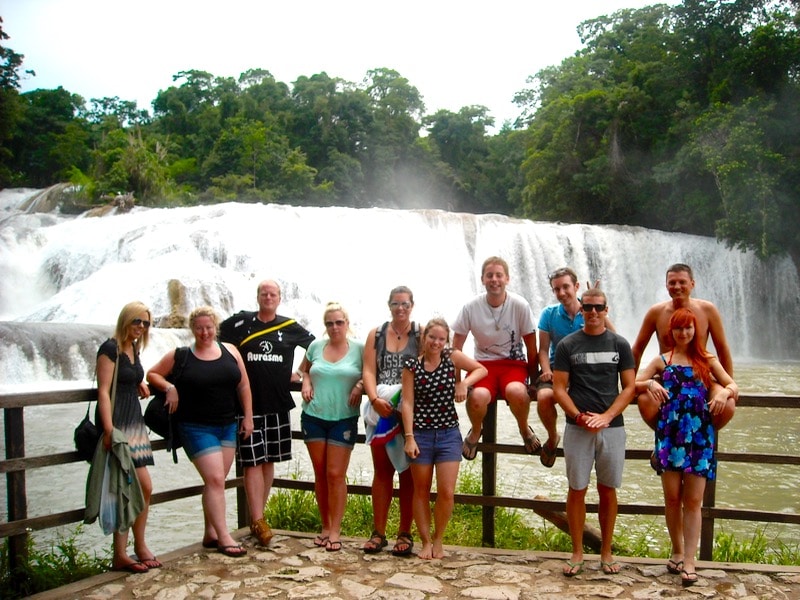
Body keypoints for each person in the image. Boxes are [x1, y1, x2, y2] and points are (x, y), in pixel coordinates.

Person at [635, 308, 737, 587]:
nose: (684, 333)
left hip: (699, 437)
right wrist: (649, 385)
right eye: (679, 328)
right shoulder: (661, 360)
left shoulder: (706, 359)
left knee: (693, 501)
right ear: (671, 331)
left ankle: (690, 561)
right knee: (671, 498)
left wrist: (724, 393)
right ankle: (677, 550)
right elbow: (634, 383)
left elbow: (732, 384)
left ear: (696, 331)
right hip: (669, 435)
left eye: (688, 328)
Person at [148, 306, 254, 558]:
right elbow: (152, 374)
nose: (204, 332)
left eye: (208, 327)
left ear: (215, 327)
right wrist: (169, 386)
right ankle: (225, 536)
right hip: (195, 426)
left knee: (215, 481)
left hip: (227, 424)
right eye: (199, 328)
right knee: (216, 479)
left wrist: (248, 417)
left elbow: (244, 385)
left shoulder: (230, 351)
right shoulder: (181, 355)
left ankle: (210, 532)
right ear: (192, 329)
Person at [219, 280, 315, 546]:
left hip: (277, 404)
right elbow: (215, 340)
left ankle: (257, 519)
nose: (268, 297)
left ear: (279, 298)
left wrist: (303, 373)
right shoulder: (239, 324)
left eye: (273, 294)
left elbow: (315, 347)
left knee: (269, 460)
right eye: (264, 294)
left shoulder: (289, 326)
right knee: (252, 462)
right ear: (258, 297)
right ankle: (259, 518)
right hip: (247, 406)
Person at [552, 289, 636, 577]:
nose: (593, 312)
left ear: (606, 309)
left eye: (598, 307)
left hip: (611, 428)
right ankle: (576, 552)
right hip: (578, 427)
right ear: (581, 310)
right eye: (587, 307)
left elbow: (629, 387)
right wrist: (578, 415)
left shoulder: (620, 344)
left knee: (608, 490)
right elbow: (559, 388)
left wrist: (607, 416)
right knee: (577, 489)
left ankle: (606, 551)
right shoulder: (567, 345)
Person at [402, 318, 488, 560]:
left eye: (441, 339)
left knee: (447, 492)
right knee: (420, 490)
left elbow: (481, 369)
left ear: (446, 341)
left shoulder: (452, 357)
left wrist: (463, 383)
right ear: (424, 338)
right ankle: (425, 541)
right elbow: (407, 403)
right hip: (420, 434)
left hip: (449, 433)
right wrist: (409, 437)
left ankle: (439, 538)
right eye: (432, 337)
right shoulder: (411, 366)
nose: (436, 343)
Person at [452, 256, 539, 461]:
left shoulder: (520, 305)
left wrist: (534, 381)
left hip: (514, 365)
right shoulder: (471, 306)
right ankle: (475, 430)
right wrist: (458, 382)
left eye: (499, 275)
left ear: (507, 279)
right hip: (481, 366)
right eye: (489, 275)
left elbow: (532, 346)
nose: (494, 279)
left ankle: (524, 428)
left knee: (517, 391)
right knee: (477, 398)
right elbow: (456, 348)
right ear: (482, 279)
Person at [631, 263, 736, 431]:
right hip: (668, 377)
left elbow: (722, 348)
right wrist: (632, 386)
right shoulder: (656, 312)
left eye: (682, 282)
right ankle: (664, 439)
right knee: (645, 400)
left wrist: (727, 387)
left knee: (728, 405)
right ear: (666, 286)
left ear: (692, 284)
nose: (677, 286)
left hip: (702, 375)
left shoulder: (707, 310)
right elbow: (637, 349)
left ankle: (700, 439)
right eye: (672, 283)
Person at [95, 301, 157, 573]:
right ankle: (121, 553)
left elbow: (127, 377)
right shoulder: (110, 349)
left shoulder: (133, 347)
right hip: (120, 425)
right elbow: (103, 392)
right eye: (136, 322)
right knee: (125, 488)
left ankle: (138, 545)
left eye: (144, 323)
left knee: (143, 487)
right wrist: (109, 430)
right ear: (125, 320)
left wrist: (139, 382)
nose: (140, 327)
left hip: (135, 422)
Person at [298, 302, 364, 552]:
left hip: (344, 418)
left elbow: (370, 374)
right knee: (320, 472)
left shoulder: (358, 347)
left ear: (347, 323)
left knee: (335, 474)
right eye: (329, 323)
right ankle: (325, 526)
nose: (334, 327)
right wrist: (305, 381)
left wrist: (359, 386)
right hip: (313, 416)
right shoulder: (315, 346)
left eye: (339, 322)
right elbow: (303, 370)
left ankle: (336, 529)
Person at [361, 286, 419, 556]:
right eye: (396, 304)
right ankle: (379, 532)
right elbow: (369, 370)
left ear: (412, 305)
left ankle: (405, 533)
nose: (400, 309)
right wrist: (373, 399)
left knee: (408, 473)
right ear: (389, 306)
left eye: (405, 304)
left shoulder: (420, 334)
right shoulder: (376, 334)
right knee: (382, 471)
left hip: (408, 412)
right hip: (381, 410)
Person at [535, 268, 613, 468]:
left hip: (584, 373)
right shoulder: (549, 314)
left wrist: (595, 304)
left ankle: (594, 455)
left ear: (576, 287)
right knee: (544, 398)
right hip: (556, 370)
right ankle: (553, 437)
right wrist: (546, 370)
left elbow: (614, 338)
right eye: (556, 289)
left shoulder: (590, 312)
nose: (561, 293)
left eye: (565, 287)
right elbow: (543, 350)